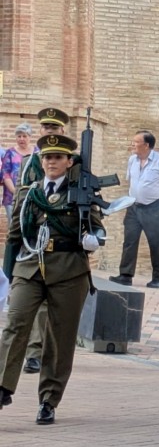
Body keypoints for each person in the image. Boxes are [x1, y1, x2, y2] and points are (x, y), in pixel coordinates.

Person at [0, 133, 105, 424]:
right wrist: (8, 277)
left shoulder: (81, 192)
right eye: (47, 157)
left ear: (69, 161)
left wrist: (93, 239)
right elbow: (13, 238)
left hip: (69, 271)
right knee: (15, 325)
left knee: (59, 338)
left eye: (58, 157)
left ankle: (49, 399)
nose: (51, 162)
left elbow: (97, 229)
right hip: (29, 268)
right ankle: (2, 386)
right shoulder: (29, 192)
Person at [17, 107, 72, 376]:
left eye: (54, 129)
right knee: (27, 306)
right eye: (45, 129)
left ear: (62, 131)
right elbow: (21, 198)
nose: (49, 132)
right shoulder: (31, 162)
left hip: (60, 244)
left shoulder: (72, 160)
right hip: (32, 240)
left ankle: (40, 353)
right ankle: (32, 353)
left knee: (52, 306)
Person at [109, 130, 159, 289]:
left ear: (146, 145)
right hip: (133, 206)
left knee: (156, 243)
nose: (132, 144)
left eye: (136, 142)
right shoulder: (132, 160)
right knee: (129, 241)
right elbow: (131, 181)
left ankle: (157, 278)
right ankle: (125, 275)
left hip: (154, 207)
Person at [2, 123, 36, 225]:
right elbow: (5, 174)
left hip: (33, 197)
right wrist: (16, 192)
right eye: (19, 136)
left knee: (31, 225)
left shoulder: (37, 153)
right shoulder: (10, 153)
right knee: (14, 225)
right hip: (12, 197)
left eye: (24, 136)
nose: (21, 139)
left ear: (30, 137)